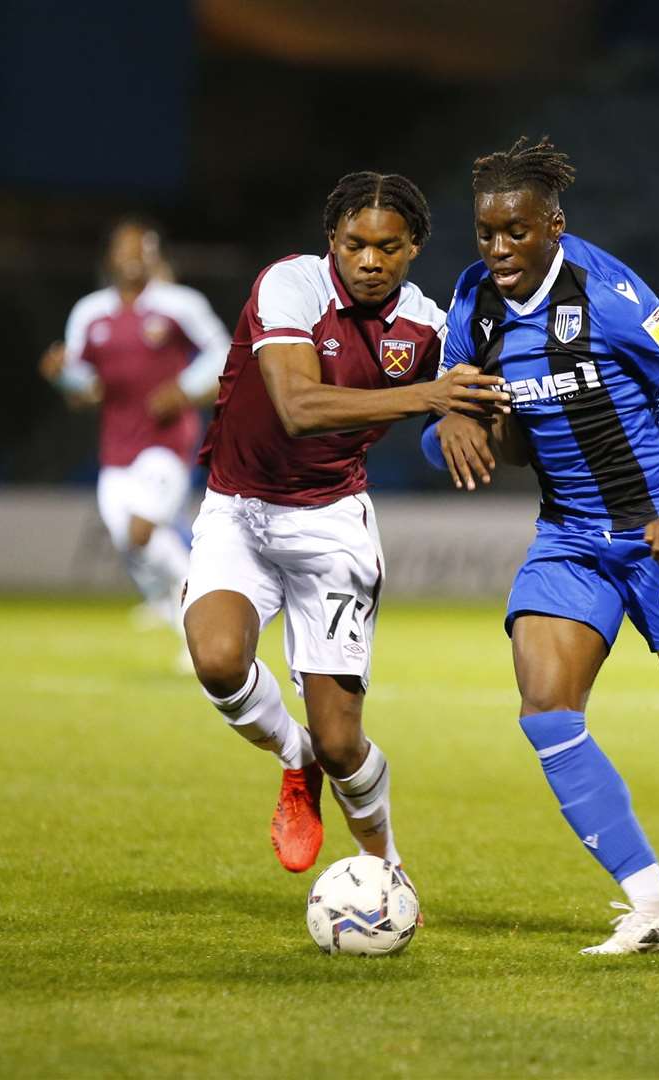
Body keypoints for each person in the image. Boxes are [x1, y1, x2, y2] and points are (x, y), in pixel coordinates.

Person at [422, 137, 659, 955]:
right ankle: (655, 906)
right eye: (485, 233)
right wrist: (450, 424)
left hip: (657, 535)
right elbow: (454, 431)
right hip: (570, 540)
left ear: (553, 224)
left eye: (516, 232)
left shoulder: (609, 295)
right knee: (546, 709)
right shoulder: (472, 303)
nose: (499, 250)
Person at [183, 172, 509, 878]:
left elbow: (464, 401)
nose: (369, 261)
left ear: (414, 247)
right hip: (238, 510)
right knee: (216, 661)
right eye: (356, 244)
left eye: (388, 247)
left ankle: (386, 872)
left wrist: (461, 415)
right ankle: (291, 757)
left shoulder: (429, 326)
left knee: (342, 741)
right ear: (332, 239)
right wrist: (431, 395)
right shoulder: (291, 286)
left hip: (331, 522)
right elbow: (298, 405)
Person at [40, 218, 230, 653]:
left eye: (143, 249)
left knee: (141, 531)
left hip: (168, 442)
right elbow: (85, 390)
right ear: (110, 257)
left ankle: (193, 618)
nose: (133, 258)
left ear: (155, 256)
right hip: (117, 448)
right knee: (129, 538)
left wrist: (184, 390)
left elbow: (223, 354)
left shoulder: (180, 305)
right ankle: (173, 597)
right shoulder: (90, 313)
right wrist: (60, 378)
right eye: (125, 250)